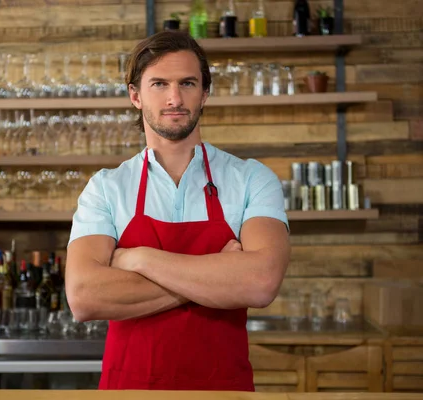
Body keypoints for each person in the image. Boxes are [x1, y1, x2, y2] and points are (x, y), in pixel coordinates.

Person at [65, 31, 290, 391]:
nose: (174, 98)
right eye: (159, 84)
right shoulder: (106, 187)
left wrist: (139, 259)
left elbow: (260, 284)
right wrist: (219, 274)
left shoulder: (251, 178)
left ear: (205, 93)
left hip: (223, 393)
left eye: (187, 83)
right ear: (135, 96)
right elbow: (84, 297)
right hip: (129, 393)